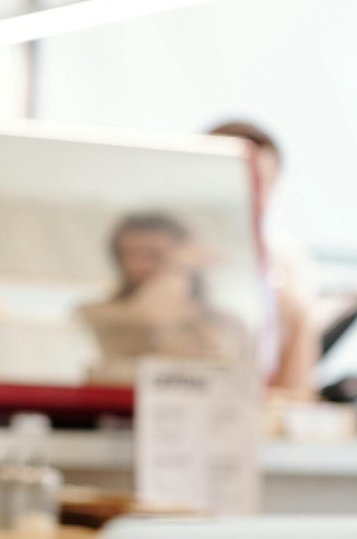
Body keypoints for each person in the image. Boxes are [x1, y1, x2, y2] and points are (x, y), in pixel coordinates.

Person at [207, 121, 319, 397]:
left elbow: (299, 392)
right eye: (237, 177)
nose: (250, 191)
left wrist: (297, 316)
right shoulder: (159, 250)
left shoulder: (287, 257)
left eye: (262, 181)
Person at [78, 211, 250, 384]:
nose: (139, 264)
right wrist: (179, 267)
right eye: (129, 254)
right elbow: (148, 313)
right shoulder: (100, 312)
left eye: (154, 254)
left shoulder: (227, 321)